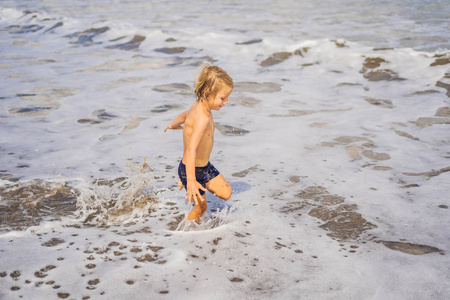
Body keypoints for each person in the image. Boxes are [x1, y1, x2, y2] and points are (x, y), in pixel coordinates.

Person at [164, 64, 233, 222]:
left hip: (204, 166)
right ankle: (187, 232)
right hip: (192, 169)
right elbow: (191, 149)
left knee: (226, 193)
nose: (226, 102)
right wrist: (192, 181)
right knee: (202, 208)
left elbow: (184, 115)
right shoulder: (202, 118)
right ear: (207, 93)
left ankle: (187, 180)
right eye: (223, 98)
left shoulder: (199, 106)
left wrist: (173, 124)